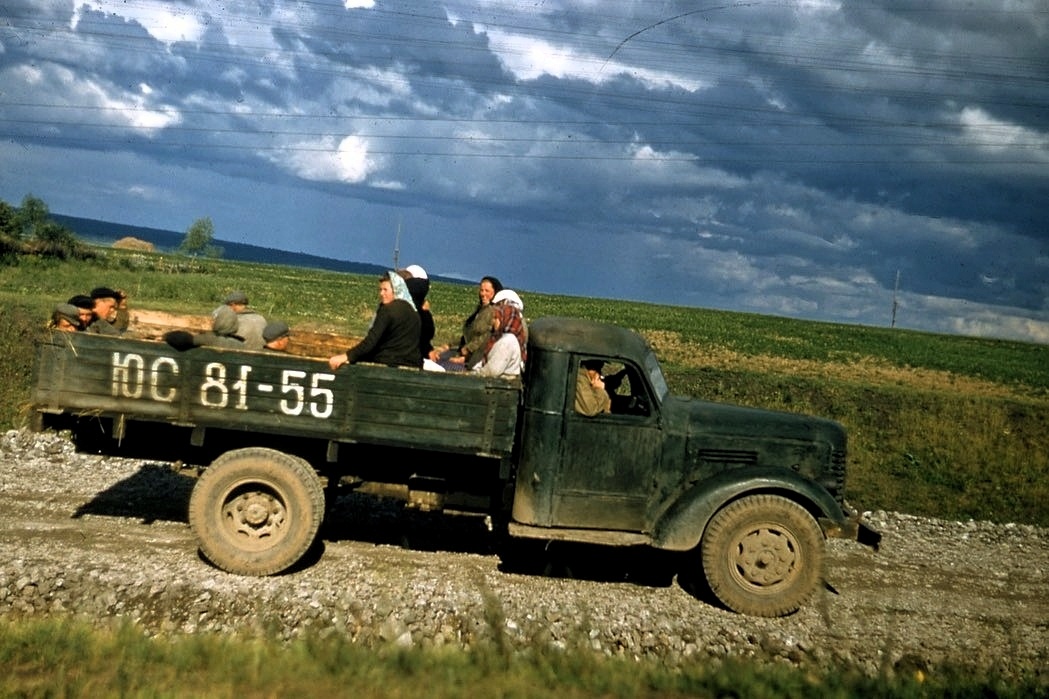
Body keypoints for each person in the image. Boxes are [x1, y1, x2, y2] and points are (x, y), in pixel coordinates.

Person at [328, 272, 421, 370]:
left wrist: (346, 356)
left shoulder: (388, 310)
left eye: (385, 290)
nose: (381, 293)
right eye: (380, 290)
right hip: (412, 363)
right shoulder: (413, 312)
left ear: (396, 290)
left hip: (388, 362)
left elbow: (370, 342)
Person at [431, 275, 502, 371]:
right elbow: (467, 336)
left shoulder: (493, 312)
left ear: (495, 293)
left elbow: (485, 338)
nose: (483, 294)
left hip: (473, 359)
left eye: (487, 291)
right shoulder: (480, 310)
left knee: (439, 364)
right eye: (481, 290)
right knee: (435, 356)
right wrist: (448, 345)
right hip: (463, 351)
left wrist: (468, 351)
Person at [472, 302, 525, 379]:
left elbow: (491, 371)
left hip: (499, 385)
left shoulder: (508, 341)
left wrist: (473, 374)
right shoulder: (498, 337)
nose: (493, 321)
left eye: (496, 318)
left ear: (505, 318)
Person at [164, 305, 245, 350]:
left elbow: (183, 340)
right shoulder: (241, 344)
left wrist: (165, 336)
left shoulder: (211, 339)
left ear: (218, 322)